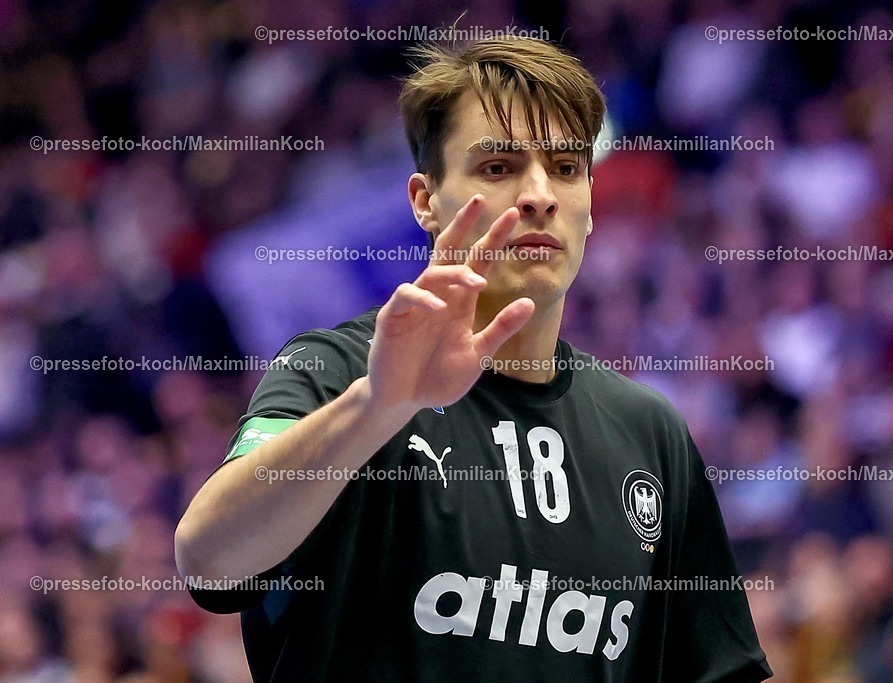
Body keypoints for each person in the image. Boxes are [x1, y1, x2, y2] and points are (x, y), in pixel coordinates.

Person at [174, 36, 772, 682]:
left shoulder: (651, 433)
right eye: (498, 167)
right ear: (425, 201)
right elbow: (210, 559)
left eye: (566, 168)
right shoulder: (337, 369)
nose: (539, 194)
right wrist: (378, 406)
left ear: (591, 207)